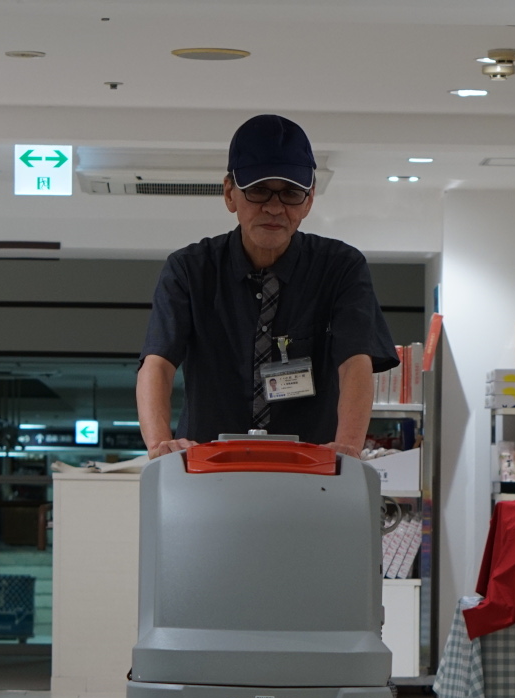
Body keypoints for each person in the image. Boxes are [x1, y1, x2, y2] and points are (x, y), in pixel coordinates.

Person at [137, 114, 398, 459]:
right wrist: (159, 444)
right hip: (207, 466)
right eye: (259, 190)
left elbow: (355, 362)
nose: (274, 207)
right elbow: (157, 363)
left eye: (290, 193)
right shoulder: (189, 269)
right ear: (230, 193)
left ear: (309, 200)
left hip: (308, 468)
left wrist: (347, 448)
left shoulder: (340, 267)